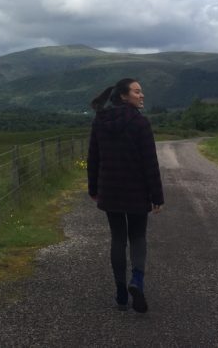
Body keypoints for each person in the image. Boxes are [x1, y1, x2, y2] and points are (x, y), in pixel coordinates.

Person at [87, 78, 164, 313]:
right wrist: (157, 196)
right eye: (137, 92)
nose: (142, 96)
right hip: (137, 191)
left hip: (110, 191)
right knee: (138, 237)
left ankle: (121, 292)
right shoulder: (140, 123)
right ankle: (137, 281)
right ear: (124, 96)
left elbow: (93, 158)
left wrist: (93, 189)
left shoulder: (100, 120)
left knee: (118, 239)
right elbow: (149, 162)